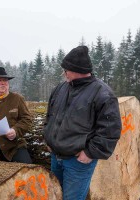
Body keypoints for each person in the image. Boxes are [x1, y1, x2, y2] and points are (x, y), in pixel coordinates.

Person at [43, 46, 122, 200]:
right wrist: (48, 137)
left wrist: (90, 153)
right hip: (56, 157)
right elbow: (49, 116)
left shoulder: (103, 93)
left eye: (65, 69)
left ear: (75, 69)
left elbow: (110, 131)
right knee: (55, 196)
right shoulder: (60, 88)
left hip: (78, 161)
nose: (63, 73)